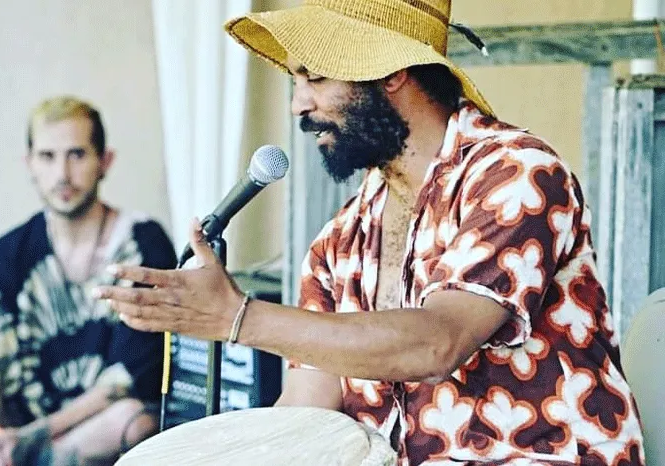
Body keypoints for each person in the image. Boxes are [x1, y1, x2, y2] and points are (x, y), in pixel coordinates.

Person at [93, 1, 646, 464]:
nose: (298, 105)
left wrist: (239, 317)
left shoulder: (515, 173)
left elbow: (438, 342)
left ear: (391, 72)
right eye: (294, 80)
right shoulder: (340, 240)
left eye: (314, 77)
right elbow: (307, 413)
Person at [0, 96, 177, 465]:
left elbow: (127, 378)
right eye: (47, 157)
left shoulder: (143, 242)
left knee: (134, 421)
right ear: (29, 164)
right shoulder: (7, 254)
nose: (62, 174)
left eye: (77, 154)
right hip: (17, 426)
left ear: (104, 161)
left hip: (92, 428)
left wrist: (30, 439)